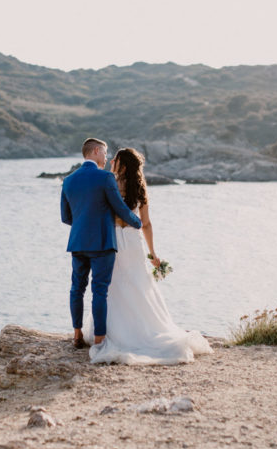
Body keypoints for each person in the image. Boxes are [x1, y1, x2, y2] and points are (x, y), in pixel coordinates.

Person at [83, 147, 213, 365]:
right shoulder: (140, 190)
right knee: (139, 285)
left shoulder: (109, 184)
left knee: (111, 286)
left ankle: (112, 332)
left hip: (113, 241)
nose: (111, 160)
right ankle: (144, 329)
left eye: (116, 159)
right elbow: (146, 224)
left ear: (122, 166)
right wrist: (153, 253)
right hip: (134, 243)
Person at [61, 138, 142, 349]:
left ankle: (77, 335)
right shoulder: (105, 177)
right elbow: (120, 209)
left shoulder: (68, 180)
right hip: (102, 243)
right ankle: (99, 340)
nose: (106, 159)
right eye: (105, 154)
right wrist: (137, 222)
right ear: (96, 151)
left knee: (76, 289)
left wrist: (82, 226)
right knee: (99, 291)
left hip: (78, 243)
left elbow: (65, 217)